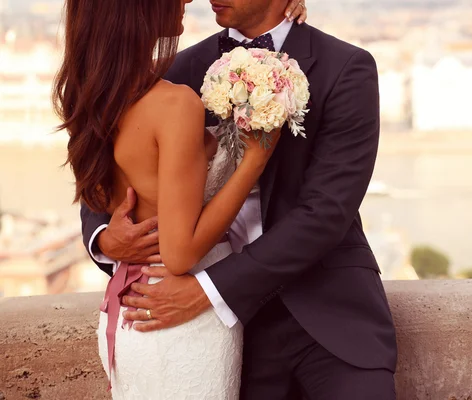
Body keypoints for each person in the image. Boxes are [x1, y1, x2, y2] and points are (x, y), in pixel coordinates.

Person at [80, 0, 398, 399]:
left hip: (328, 314)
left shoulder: (347, 67)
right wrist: (103, 238)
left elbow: (327, 210)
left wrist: (211, 289)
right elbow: (110, 165)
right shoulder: (179, 72)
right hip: (215, 333)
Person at [54, 0, 307, 399]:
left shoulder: (97, 97)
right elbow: (180, 254)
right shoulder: (175, 104)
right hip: (180, 322)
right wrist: (254, 161)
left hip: (131, 314)